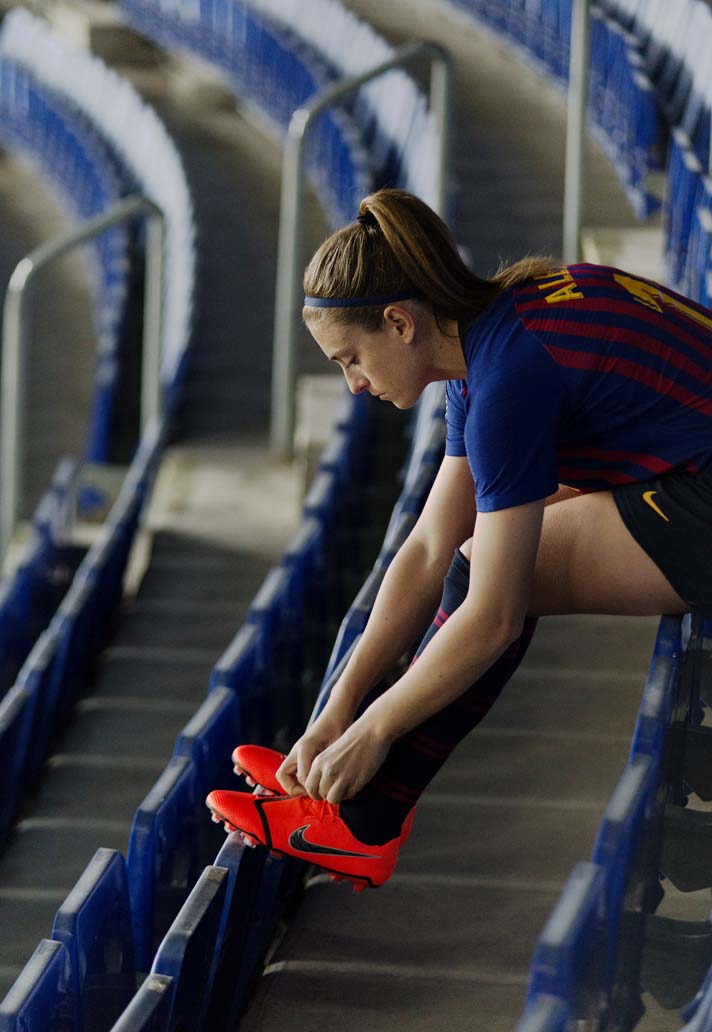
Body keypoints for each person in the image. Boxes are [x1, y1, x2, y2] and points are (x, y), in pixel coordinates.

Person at [207, 187, 712, 891]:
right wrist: (337, 712)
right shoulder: (491, 335)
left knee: (499, 574)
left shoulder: (508, 379)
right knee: (481, 549)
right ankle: (354, 801)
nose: (353, 385)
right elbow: (427, 546)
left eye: (351, 359)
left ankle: (365, 821)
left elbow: (494, 614)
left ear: (398, 323)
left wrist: (376, 730)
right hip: (688, 468)